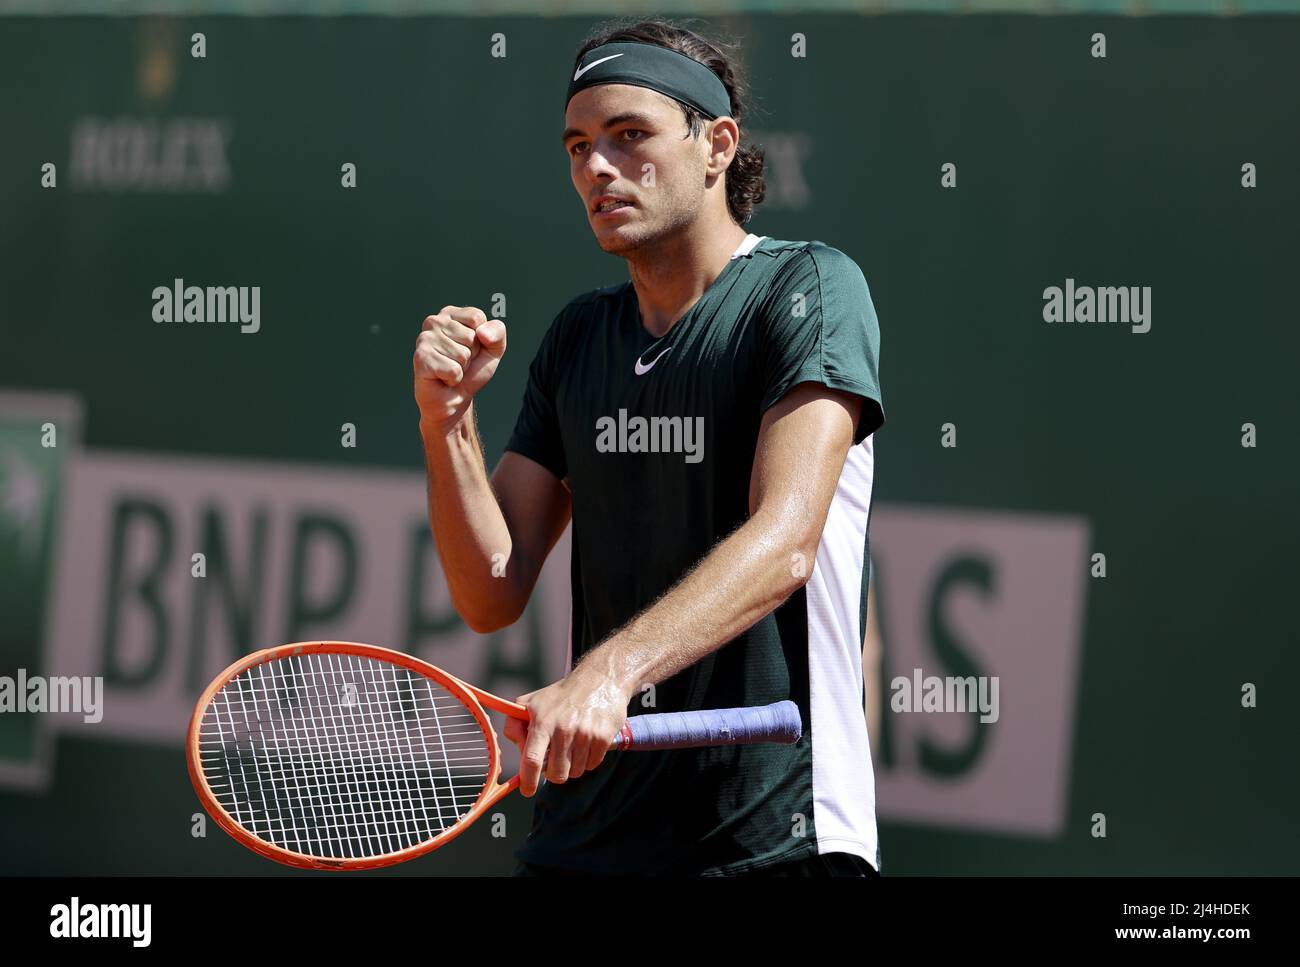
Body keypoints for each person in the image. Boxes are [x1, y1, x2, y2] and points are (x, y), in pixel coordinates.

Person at [413, 18, 884, 876]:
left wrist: (609, 672)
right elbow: (490, 589)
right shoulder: (578, 338)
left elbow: (786, 543)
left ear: (717, 145)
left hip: (775, 840)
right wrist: (445, 421)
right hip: (583, 842)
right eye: (579, 145)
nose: (597, 167)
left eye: (631, 136)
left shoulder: (810, 289)